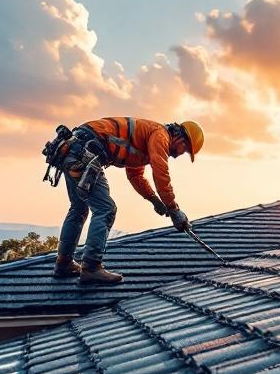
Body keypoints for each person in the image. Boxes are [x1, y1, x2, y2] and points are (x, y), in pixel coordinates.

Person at [52, 117, 203, 284]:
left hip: (72, 149)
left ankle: (64, 263)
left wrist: (154, 200)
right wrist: (174, 210)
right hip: (83, 153)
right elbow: (161, 173)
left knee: (78, 208)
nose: (181, 154)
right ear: (181, 137)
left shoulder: (144, 139)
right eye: (185, 149)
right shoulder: (160, 136)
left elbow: (135, 175)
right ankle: (91, 267)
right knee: (105, 209)